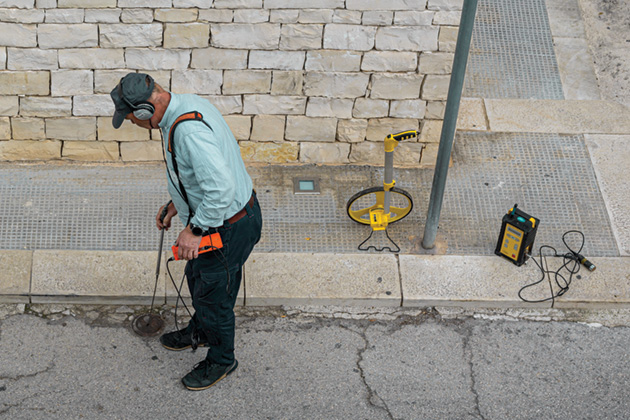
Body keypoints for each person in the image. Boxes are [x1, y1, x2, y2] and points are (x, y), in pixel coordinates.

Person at [110, 72, 262, 391]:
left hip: (226, 225)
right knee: (202, 281)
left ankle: (222, 359)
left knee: (214, 295)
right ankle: (203, 330)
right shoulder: (186, 107)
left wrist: (194, 229)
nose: (132, 124)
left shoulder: (187, 131)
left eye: (131, 118)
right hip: (229, 217)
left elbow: (220, 188)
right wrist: (176, 204)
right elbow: (199, 175)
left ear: (144, 112)